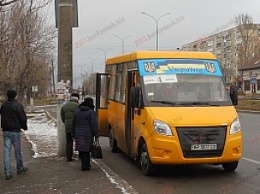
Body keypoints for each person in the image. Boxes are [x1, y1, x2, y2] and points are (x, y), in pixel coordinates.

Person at [0, 89, 28, 180]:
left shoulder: (3, 106)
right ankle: (20, 168)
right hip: (15, 130)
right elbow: (22, 118)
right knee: (18, 150)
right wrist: (24, 127)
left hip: (5, 131)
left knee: (7, 151)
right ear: (15, 96)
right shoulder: (18, 106)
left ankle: (8, 172)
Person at [72, 97, 98, 171]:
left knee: (81, 148)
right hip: (88, 133)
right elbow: (94, 124)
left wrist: (73, 132)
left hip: (78, 133)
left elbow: (73, 123)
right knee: (87, 150)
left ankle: (84, 164)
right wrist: (96, 134)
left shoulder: (77, 111)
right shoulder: (91, 112)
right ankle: (85, 166)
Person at [61, 92, 80, 162]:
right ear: (77, 98)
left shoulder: (64, 106)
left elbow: (62, 117)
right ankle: (80, 156)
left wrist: (66, 123)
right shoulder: (78, 106)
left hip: (68, 126)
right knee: (79, 141)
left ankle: (68, 157)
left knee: (69, 142)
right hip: (77, 127)